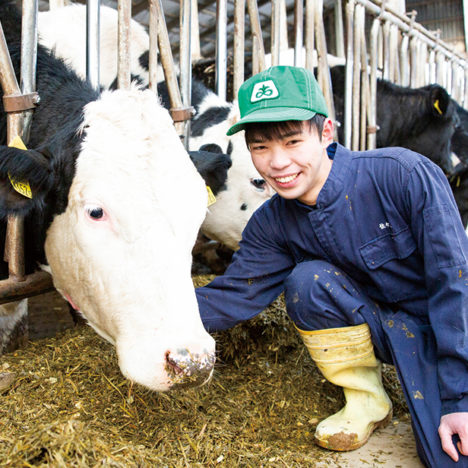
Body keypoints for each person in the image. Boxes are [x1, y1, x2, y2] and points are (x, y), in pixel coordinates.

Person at [195, 65, 468, 467]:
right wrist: (142, 313)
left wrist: (458, 398)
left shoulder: (404, 175)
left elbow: (454, 283)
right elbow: (234, 293)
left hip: (450, 329)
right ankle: (368, 399)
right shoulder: (272, 223)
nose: (278, 163)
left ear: (326, 133)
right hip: (387, 332)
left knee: (452, 455)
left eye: (291, 141)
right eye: (261, 147)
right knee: (308, 281)